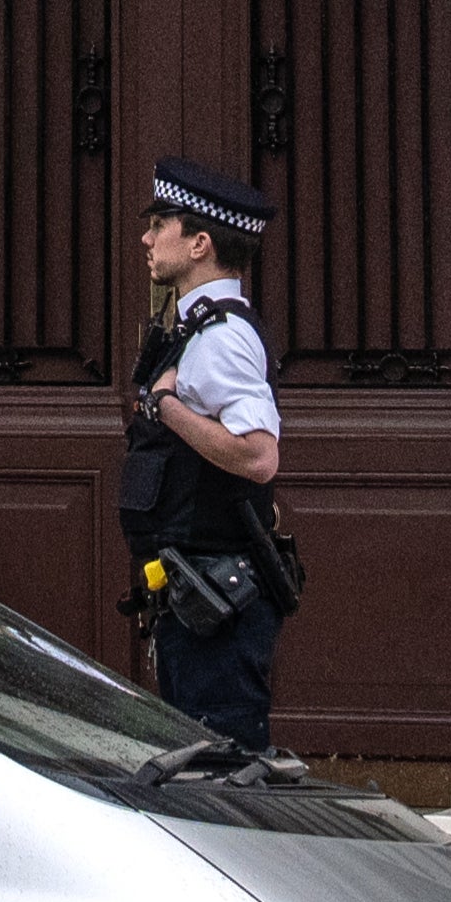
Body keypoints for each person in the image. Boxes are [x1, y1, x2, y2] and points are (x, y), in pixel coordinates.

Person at [117, 156, 297, 756]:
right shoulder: (197, 329)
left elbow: (257, 457)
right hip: (201, 598)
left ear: (199, 242)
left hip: (221, 605)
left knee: (223, 776)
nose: (146, 237)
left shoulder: (220, 338)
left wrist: (166, 405)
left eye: (159, 223)